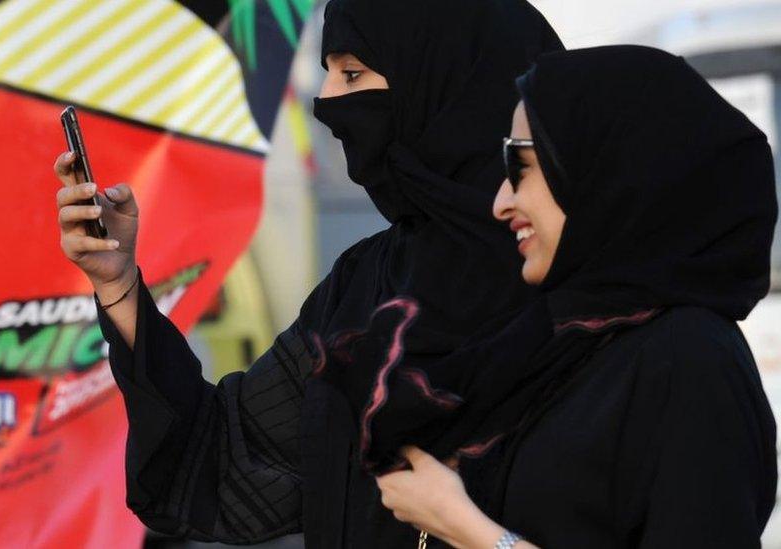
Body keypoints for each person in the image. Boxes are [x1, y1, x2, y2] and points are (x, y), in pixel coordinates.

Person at [53, 0, 562, 546]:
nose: (327, 101)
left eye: (351, 73)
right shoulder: (369, 282)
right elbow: (226, 453)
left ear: (443, 83)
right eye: (327, 74)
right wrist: (120, 285)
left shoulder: (596, 305)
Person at [342, 46, 778, 548]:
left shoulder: (690, 357)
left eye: (522, 164)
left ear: (607, 166)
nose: (502, 201)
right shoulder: (553, 346)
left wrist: (471, 531)